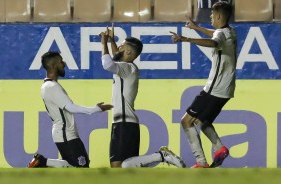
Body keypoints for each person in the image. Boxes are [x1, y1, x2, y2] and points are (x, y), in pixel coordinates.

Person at [100, 24, 186, 168]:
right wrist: (112, 41)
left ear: (127, 52)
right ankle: (160, 156)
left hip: (124, 124)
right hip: (125, 123)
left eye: (121, 46)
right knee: (124, 168)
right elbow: (117, 57)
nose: (118, 48)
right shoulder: (127, 67)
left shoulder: (127, 68)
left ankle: (161, 156)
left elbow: (108, 64)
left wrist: (104, 43)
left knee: (120, 167)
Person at [170, 1, 236, 168]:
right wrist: (197, 28)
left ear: (220, 16)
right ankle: (220, 149)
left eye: (213, 15)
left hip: (215, 88)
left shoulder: (220, 35)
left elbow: (214, 41)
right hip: (226, 89)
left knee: (186, 121)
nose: (211, 18)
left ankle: (201, 161)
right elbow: (214, 34)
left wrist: (185, 39)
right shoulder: (230, 32)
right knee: (204, 121)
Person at [27, 52, 113, 168]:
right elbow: (71, 107)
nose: (64, 64)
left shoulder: (48, 86)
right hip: (65, 133)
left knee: (74, 166)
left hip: (64, 132)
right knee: (81, 166)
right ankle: (42, 161)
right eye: (61, 61)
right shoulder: (52, 87)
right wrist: (95, 109)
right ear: (53, 66)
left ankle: (42, 162)